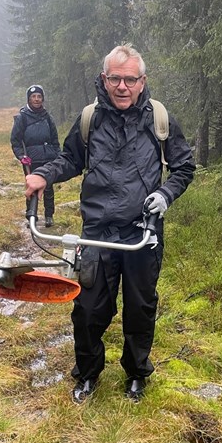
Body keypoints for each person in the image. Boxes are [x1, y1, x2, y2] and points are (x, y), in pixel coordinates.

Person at [25, 44, 195, 403]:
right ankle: (87, 375)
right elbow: (70, 158)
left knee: (140, 306)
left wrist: (164, 196)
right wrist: (43, 175)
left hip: (142, 234)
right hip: (98, 233)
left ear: (141, 81)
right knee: (88, 308)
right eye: (115, 78)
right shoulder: (91, 119)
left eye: (129, 79)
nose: (122, 86)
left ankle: (136, 374)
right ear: (104, 79)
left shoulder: (159, 119)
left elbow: (183, 167)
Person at [11, 85, 61, 227]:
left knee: (49, 188)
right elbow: (15, 141)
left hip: (48, 158)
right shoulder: (22, 118)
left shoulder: (48, 117)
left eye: (39, 96)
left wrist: (58, 156)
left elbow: (55, 140)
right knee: (32, 187)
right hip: (30, 160)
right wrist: (21, 156)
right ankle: (31, 215)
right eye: (34, 97)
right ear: (29, 99)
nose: (37, 99)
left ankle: (49, 216)